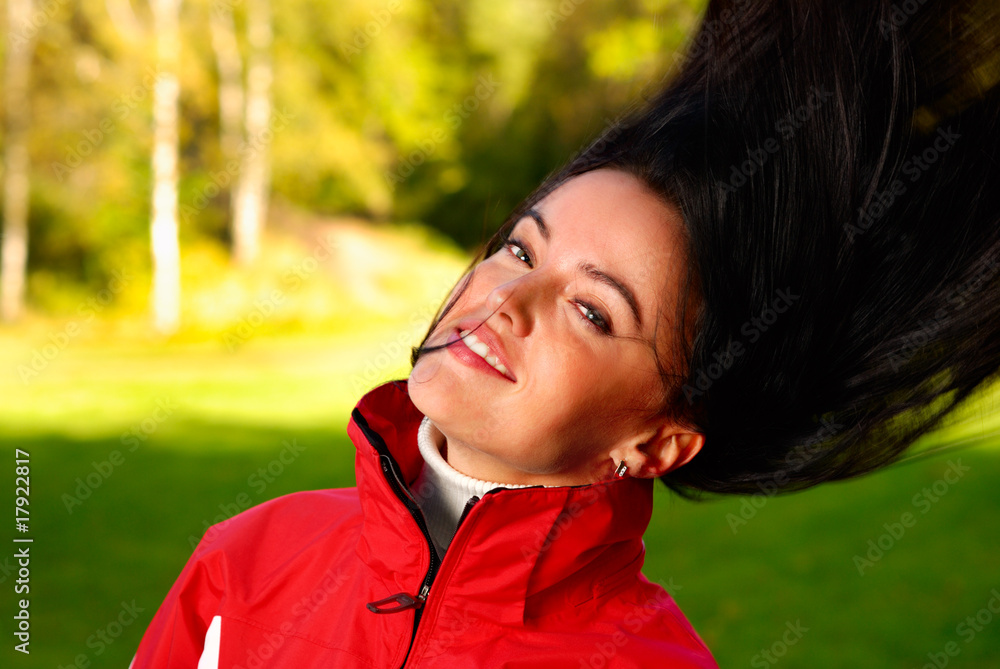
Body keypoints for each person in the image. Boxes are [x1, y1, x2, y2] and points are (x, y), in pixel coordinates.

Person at [131, 0, 1000, 665]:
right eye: (520, 248)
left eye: (592, 310)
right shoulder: (245, 563)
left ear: (655, 443)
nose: (510, 299)